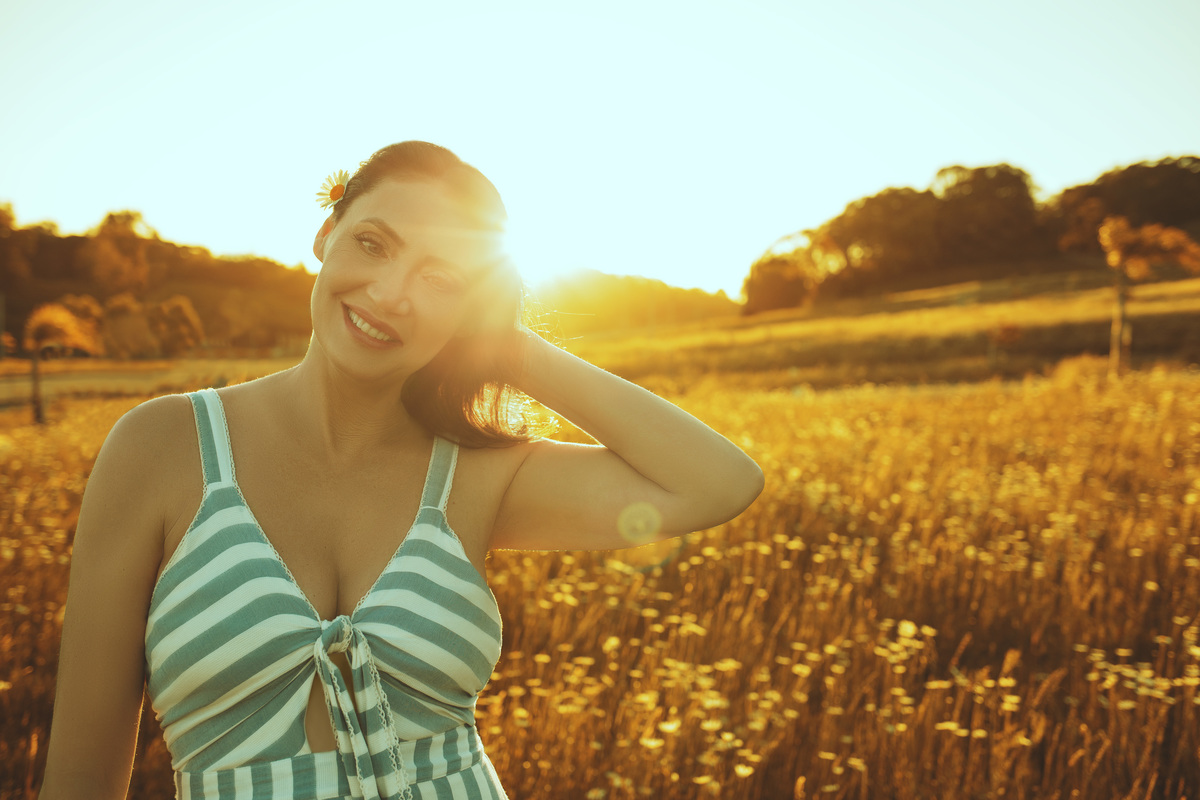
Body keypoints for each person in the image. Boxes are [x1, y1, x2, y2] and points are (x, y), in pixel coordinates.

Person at [37, 141, 764, 800]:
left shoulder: (479, 473)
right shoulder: (162, 447)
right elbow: (80, 776)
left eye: (440, 277)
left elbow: (717, 482)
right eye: (373, 244)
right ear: (326, 235)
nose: (390, 294)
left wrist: (506, 346)